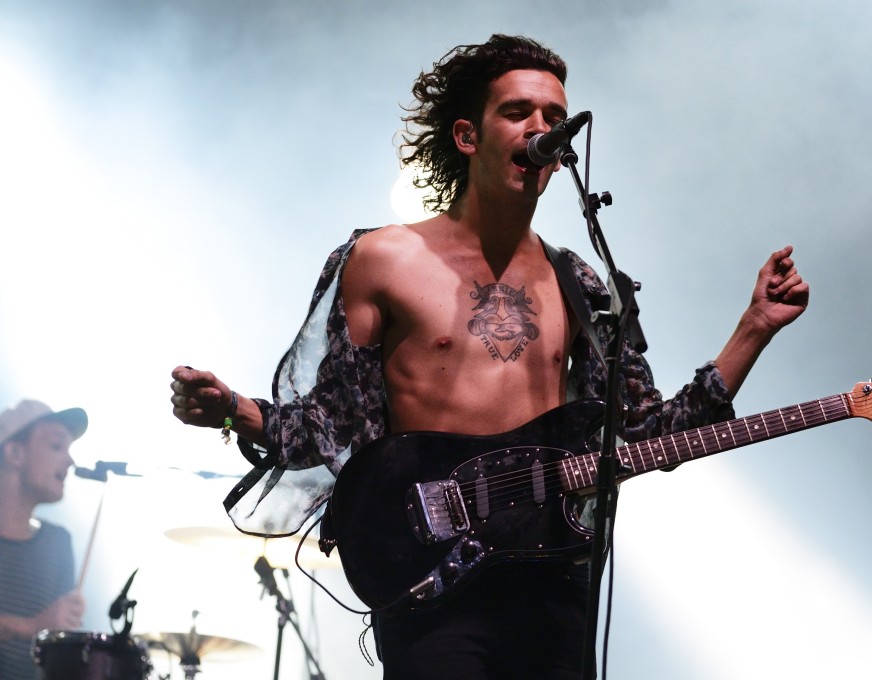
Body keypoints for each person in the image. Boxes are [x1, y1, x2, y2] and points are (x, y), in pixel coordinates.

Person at [170, 34, 809, 679]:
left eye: (555, 119)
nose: (541, 129)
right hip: (433, 577)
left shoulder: (582, 284)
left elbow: (644, 433)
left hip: (554, 574)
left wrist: (754, 328)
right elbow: (333, 427)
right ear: (468, 136)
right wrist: (235, 411)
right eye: (518, 112)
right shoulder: (383, 260)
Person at [0, 399, 88, 680]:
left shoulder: (58, 543)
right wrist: (33, 625)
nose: (71, 460)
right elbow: (40, 625)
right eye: (56, 446)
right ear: (15, 453)